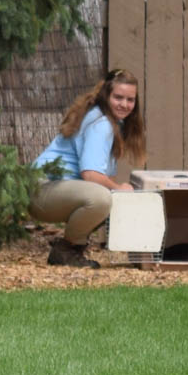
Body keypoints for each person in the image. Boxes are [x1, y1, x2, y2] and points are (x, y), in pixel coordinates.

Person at [29, 68, 147, 268]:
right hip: (40, 190)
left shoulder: (109, 121)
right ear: (106, 95)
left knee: (109, 196)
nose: (125, 105)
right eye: (118, 97)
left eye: (130, 100)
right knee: (103, 198)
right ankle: (67, 250)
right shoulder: (101, 123)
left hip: (50, 190)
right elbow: (90, 175)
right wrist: (119, 188)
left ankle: (71, 250)